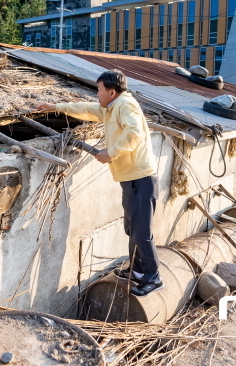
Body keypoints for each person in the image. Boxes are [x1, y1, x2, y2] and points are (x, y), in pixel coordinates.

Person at [37, 70, 162, 296]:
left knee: (142, 231)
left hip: (141, 178)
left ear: (112, 92)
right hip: (130, 179)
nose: (97, 94)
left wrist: (111, 152)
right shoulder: (111, 108)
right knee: (132, 228)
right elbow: (85, 109)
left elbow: (134, 134)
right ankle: (137, 270)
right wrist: (56, 106)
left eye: (99, 90)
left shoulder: (125, 105)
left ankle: (153, 277)